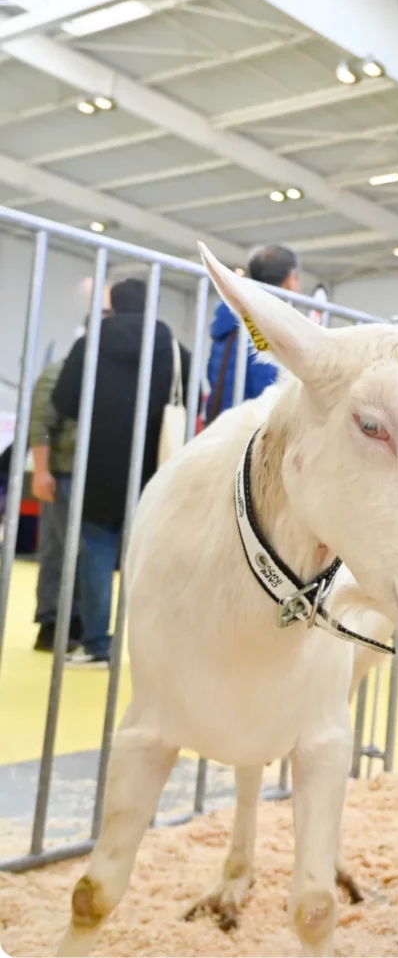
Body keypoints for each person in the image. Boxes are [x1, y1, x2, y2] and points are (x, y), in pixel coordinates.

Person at [52, 278, 192, 667]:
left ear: (112, 304)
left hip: (98, 464)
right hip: (156, 467)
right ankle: (156, 647)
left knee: (96, 551)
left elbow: (63, 401)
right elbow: (191, 398)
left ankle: (98, 644)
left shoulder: (90, 343)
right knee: (154, 556)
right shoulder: (174, 349)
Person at [204, 245, 301, 423]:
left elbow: (212, 373)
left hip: (220, 419)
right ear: (289, 280)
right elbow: (264, 385)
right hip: (247, 425)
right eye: (296, 278)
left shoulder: (228, 317)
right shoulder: (265, 319)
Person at [28, 358, 83, 652]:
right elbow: (40, 424)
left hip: (88, 475)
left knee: (80, 553)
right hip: (63, 473)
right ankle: (51, 623)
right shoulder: (59, 371)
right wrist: (41, 471)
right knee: (58, 550)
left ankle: (73, 622)